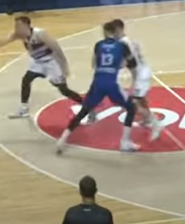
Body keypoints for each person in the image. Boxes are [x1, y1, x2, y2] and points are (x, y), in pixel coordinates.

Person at [0, 16, 89, 120]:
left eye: (18, 26)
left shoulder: (40, 34)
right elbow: (1, 42)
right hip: (38, 62)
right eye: (15, 26)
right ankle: (24, 109)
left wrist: (64, 67)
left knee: (63, 90)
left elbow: (56, 48)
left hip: (51, 63)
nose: (16, 28)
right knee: (26, 80)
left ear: (26, 25)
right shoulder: (17, 35)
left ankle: (85, 104)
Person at [57, 21, 139, 154]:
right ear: (115, 32)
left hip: (98, 82)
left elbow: (94, 65)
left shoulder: (98, 45)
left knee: (84, 111)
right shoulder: (122, 46)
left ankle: (62, 139)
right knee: (131, 108)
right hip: (111, 83)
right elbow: (133, 65)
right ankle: (125, 142)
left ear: (105, 33)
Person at [111, 19, 162, 140]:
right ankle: (146, 120)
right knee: (141, 99)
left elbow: (126, 62)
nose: (112, 34)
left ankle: (156, 124)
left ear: (119, 29)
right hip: (140, 72)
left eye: (113, 31)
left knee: (134, 104)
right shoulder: (127, 41)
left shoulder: (123, 43)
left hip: (141, 74)